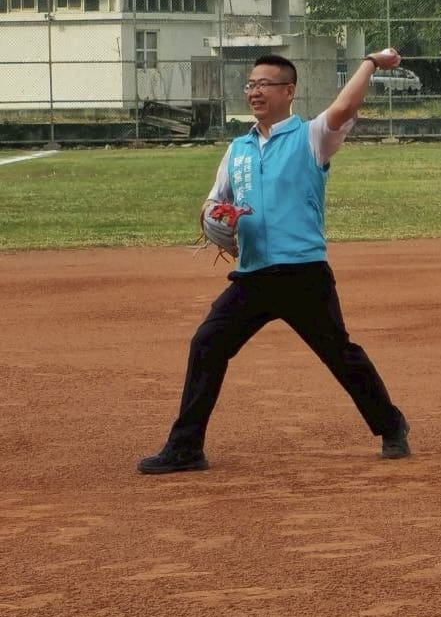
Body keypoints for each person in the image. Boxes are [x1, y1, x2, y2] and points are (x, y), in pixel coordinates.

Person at [137, 52, 412, 474]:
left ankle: (391, 424)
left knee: (340, 355)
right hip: (252, 276)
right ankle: (186, 447)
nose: (255, 91)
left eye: (264, 84)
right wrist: (214, 216)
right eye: (250, 84)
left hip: (303, 274)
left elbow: (345, 107)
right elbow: (215, 201)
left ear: (289, 91)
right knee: (207, 345)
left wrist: (371, 63)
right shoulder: (238, 149)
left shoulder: (311, 137)